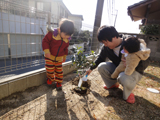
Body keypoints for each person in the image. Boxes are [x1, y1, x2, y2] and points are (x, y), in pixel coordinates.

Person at [86, 26, 150, 103]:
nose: (105, 45)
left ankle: (128, 93)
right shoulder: (106, 48)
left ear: (115, 37)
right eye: (103, 43)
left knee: (123, 77)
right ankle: (113, 84)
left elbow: (146, 60)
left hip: (133, 71)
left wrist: (132, 64)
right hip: (119, 69)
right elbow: (100, 58)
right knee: (101, 67)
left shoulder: (130, 42)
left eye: (106, 42)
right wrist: (90, 69)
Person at [42, 18, 74, 90]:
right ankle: (50, 79)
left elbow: (65, 49)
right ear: (60, 30)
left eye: (68, 35)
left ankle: (58, 82)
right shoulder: (52, 34)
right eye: (65, 35)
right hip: (49, 56)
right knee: (50, 69)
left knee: (59, 71)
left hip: (59, 58)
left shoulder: (67, 40)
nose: (66, 37)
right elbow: (45, 41)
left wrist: (64, 57)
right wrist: (46, 51)